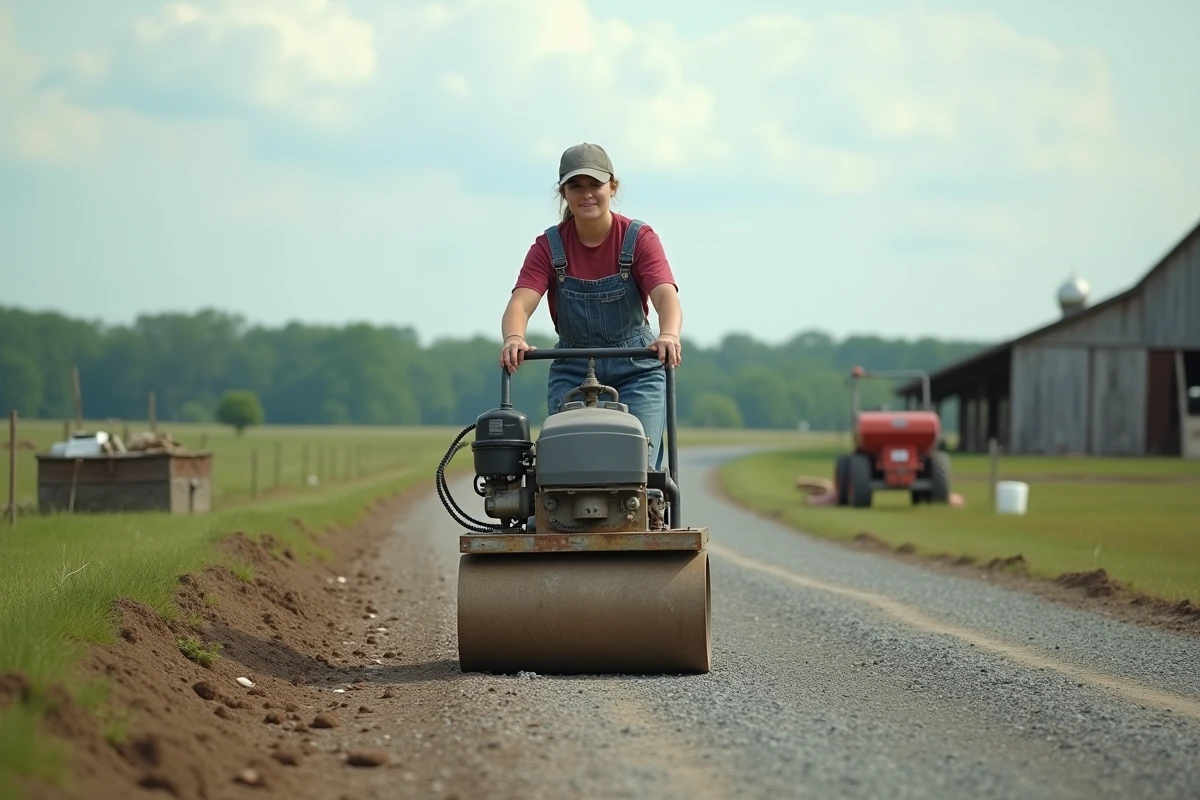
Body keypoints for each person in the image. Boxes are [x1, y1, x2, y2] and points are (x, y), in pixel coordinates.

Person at [499, 142, 683, 471]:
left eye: (595, 184)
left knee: (638, 465)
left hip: (637, 369)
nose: (586, 194)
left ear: (612, 187)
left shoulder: (638, 238)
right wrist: (514, 337)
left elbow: (665, 295)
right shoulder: (549, 246)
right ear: (563, 193)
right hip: (573, 368)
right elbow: (520, 303)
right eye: (576, 186)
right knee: (564, 466)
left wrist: (668, 334)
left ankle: (647, 499)